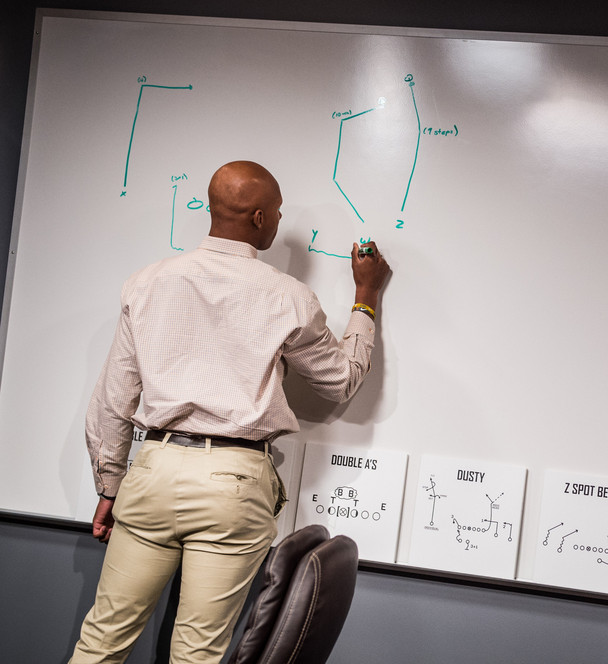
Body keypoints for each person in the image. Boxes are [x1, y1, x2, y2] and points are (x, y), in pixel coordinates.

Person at [69, 160, 390, 663]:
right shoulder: (289, 297)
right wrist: (366, 296)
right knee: (197, 654)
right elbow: (340, 380)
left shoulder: (148, 281)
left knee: (101, 640)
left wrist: (110, 486)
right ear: (260, 218)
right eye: (279, 212)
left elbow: (113, 397)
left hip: (153, 468)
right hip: (233, 481)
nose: (280, 221)